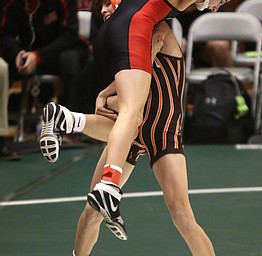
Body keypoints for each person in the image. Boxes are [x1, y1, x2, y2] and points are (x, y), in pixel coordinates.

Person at [40, 0, 231, 246]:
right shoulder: (122, 41)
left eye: (109, 6)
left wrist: (107, 95)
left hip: (163, 132)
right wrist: (108, 95)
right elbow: (124, 95)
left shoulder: (155, 27)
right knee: (93, 210)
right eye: (103, 12)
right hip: (135, 131)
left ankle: (69, 120)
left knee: (182, 215)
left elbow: (139, 69)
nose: (106, 13)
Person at [0, 0, 89, 110]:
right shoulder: (11, 3)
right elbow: (4, 35)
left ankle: (73, 119)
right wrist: (17, 54)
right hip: (28, 53)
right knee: (3, 66)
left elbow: (69, 35)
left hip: (61, 50)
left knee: (69, 60)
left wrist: (38, 56)